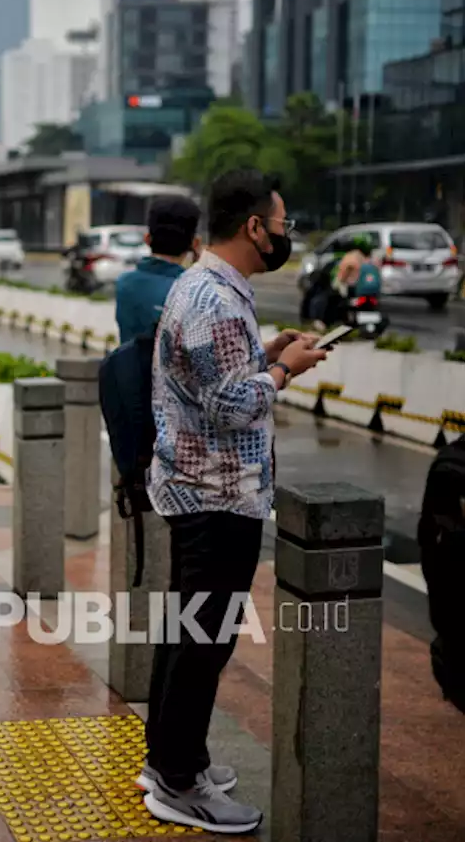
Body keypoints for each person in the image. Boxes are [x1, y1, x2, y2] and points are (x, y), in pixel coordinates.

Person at [139, 169, 328, 833]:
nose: (285, 235)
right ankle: (179, 781)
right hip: (217, 496)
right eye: (282, 224)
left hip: (194, 487)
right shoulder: (217, 299)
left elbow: (213, 376)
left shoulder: (203, 285)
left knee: (184, 630)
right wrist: (285, 370)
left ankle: (168, 756)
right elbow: (229, 404)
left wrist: (266, 352)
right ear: (254, 226)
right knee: (204, 641)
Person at [114, 195, 203, 343]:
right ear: (195, 243)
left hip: (129, 366)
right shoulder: (195, 293)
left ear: (147, 238)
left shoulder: (124, 284)